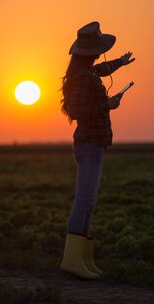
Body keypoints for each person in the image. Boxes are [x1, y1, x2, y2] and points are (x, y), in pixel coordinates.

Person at [60, 21, 134, 279]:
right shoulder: (82, 77)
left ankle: (82, 259)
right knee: (84, 202)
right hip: (89, 142)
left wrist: (119, 63)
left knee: (88, 202)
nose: (100, 55)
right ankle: (72, 261)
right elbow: (77, 112)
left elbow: (100, 70)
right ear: (92, 52)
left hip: (93, 143)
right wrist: (108, 105)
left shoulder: (85, 72)